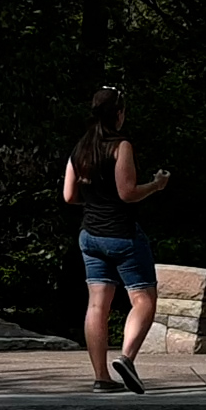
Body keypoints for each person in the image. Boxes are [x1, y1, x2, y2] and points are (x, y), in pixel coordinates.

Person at [63, 87, 168, 393]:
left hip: (89, 236)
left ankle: (101, 377)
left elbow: (69, 195)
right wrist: (156, 185)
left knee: (97, 305)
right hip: (122, 235)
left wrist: (96, 202)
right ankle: (126, 358)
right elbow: (127, 193)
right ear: (118, 113)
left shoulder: (80, 148)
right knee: (143, 300)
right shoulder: (121, 146)